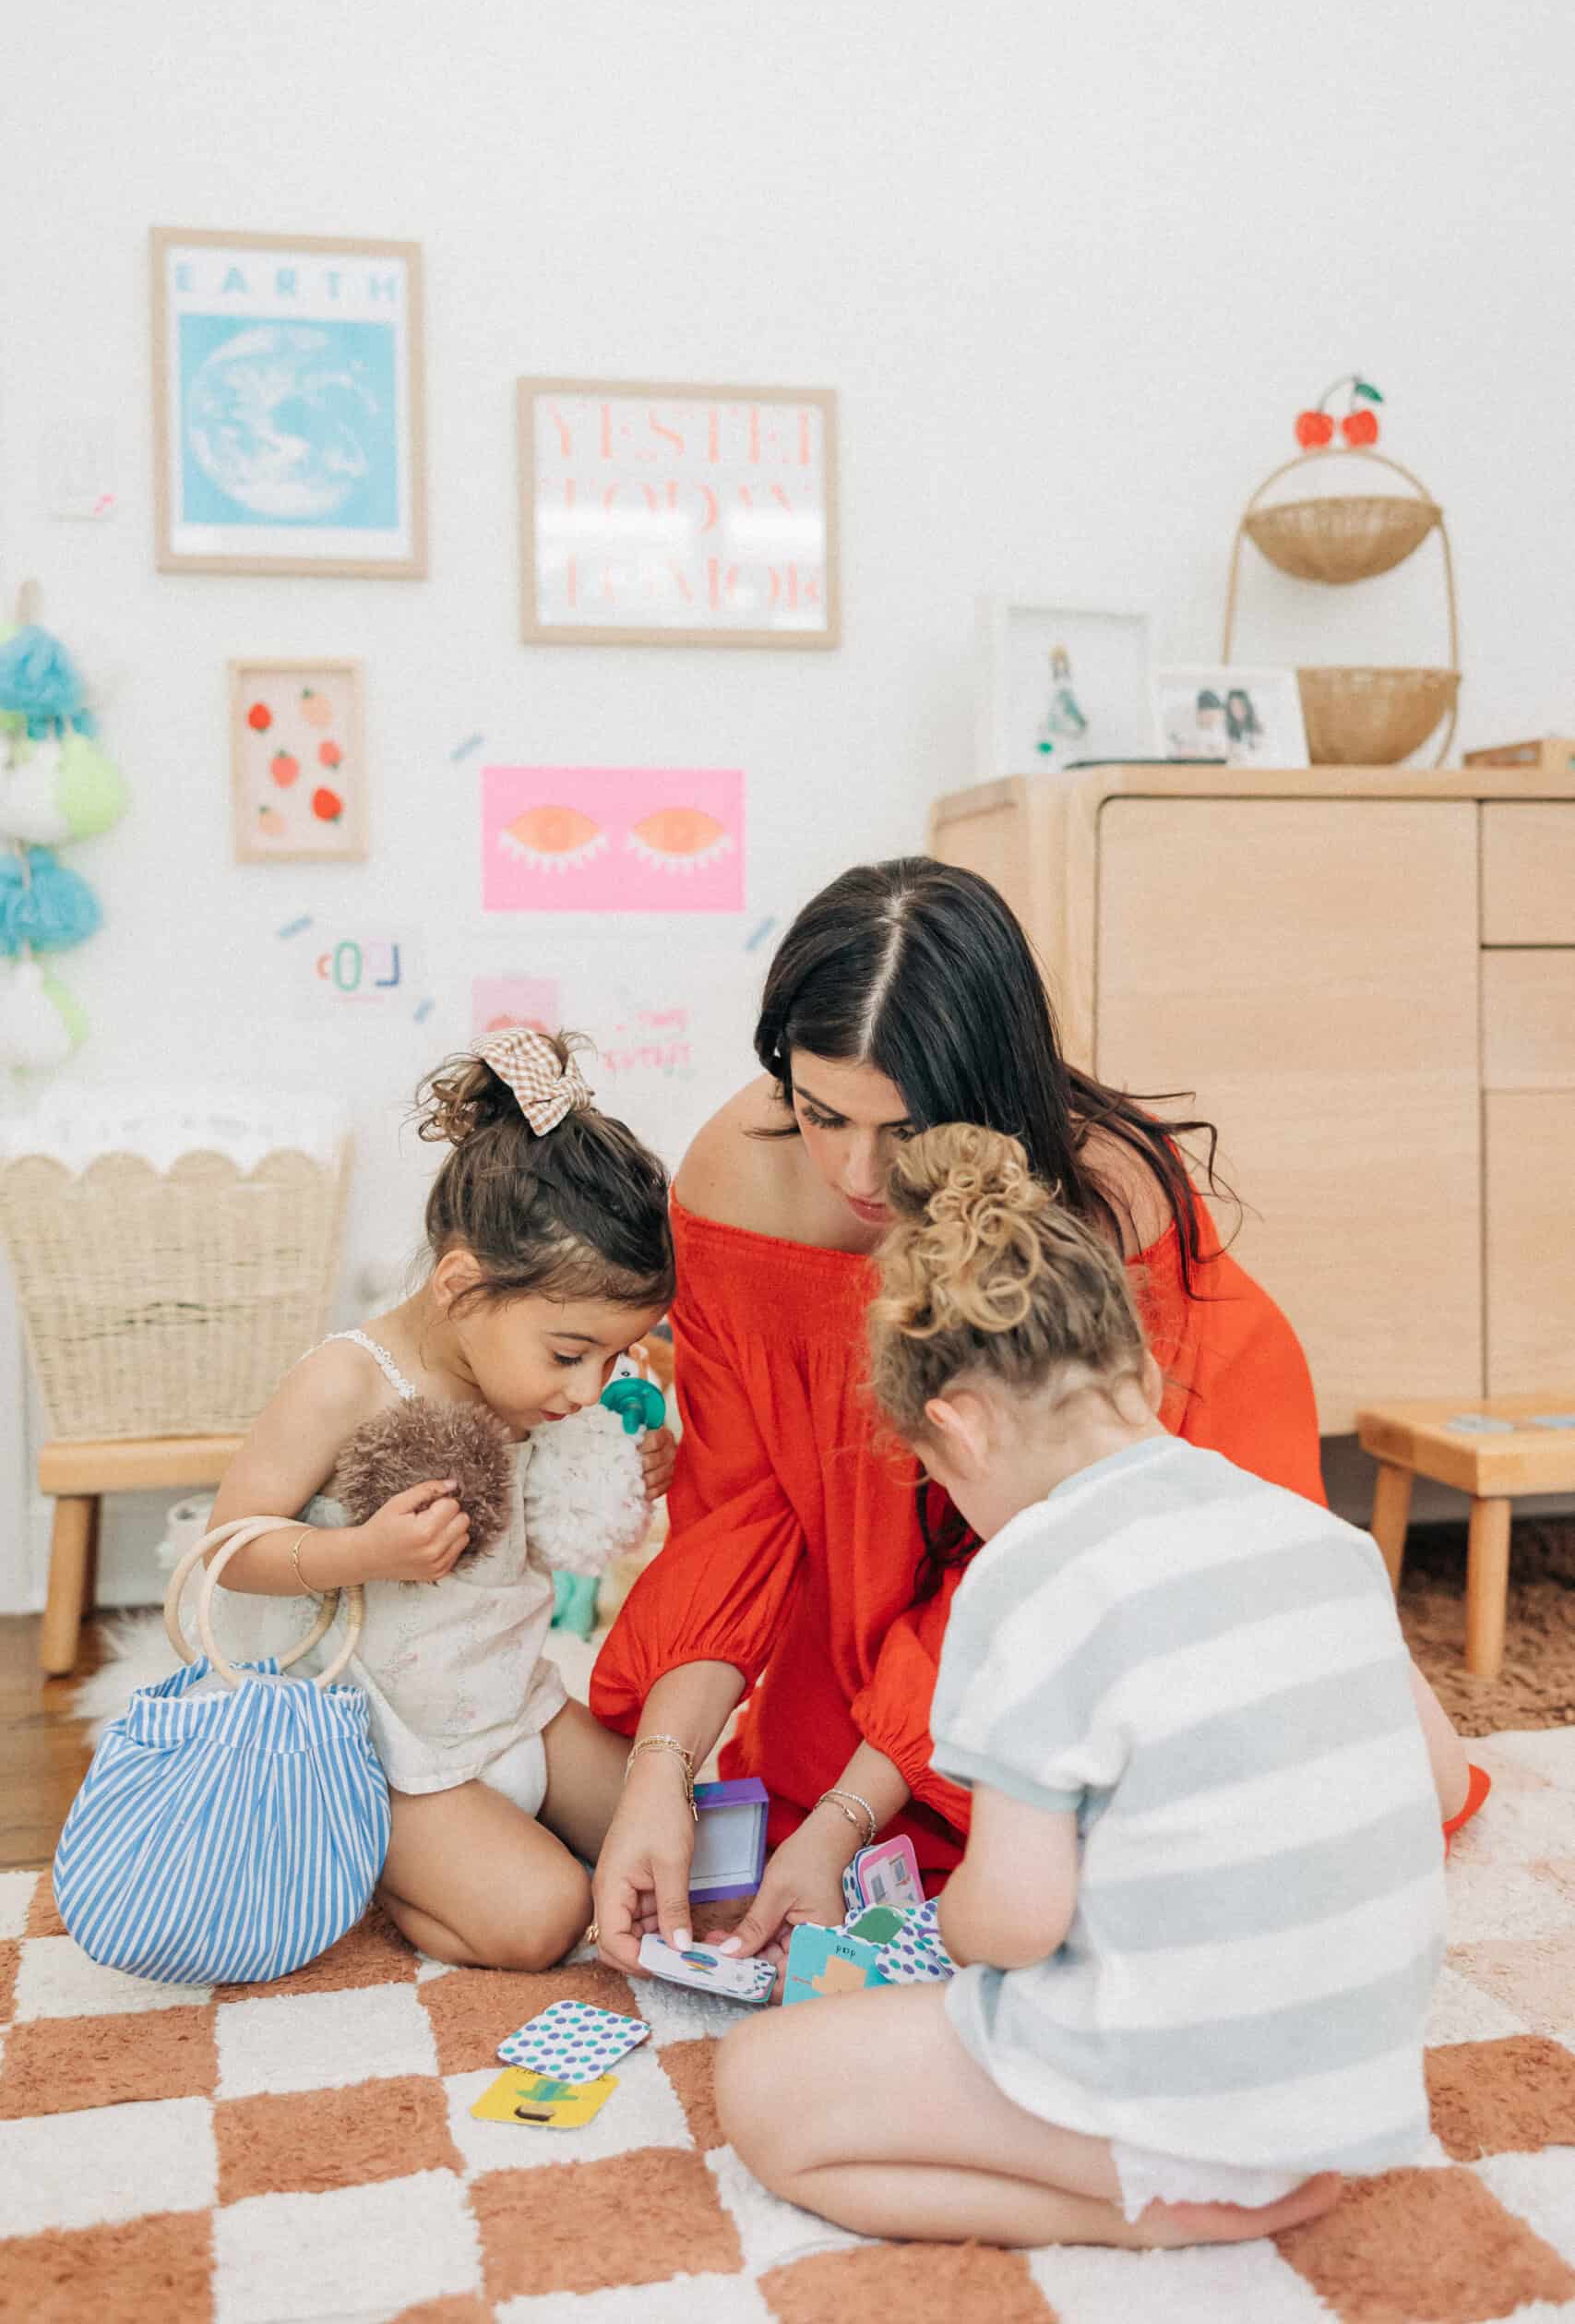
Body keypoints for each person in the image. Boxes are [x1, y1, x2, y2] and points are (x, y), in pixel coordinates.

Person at [589, 860, 1477, 1977]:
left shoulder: (1105, 1195)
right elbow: (736, 1509)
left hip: (1127, 1499)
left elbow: (1047, 1560)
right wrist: (662, 1769)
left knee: (1223, 1777)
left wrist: (848, 1817)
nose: (858, 1171)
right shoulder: (736, 1179)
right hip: (901, 1580)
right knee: (810, 1788)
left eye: (905, 1127)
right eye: (820, 1113)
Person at [714, 1124, 1446, 2247]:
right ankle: (1245, 2173)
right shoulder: (1322, 1538)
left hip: (1175, 2085)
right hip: (1352, 2085)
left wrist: (941, 1932)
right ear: (1140, 1371)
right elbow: (1436, 1778)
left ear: (956, 1427)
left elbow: (1015, 1923)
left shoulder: (1028, 1582)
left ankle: (1154, 2210)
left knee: (760, 2083)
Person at [205, 1029, 677, 1971]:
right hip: (390, 1748)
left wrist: (629, 1468)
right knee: (544, 1919)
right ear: (461, 1286)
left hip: (514, 1698)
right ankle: (375, 1862)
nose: (589, 1387)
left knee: (676, 1827)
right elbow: (227, 1550)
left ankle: (486, 1844)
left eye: (614, 1356)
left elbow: (552, 1522)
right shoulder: (347, 1381)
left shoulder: (525, 1387)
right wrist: (361, 1554)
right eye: (570, 1353)